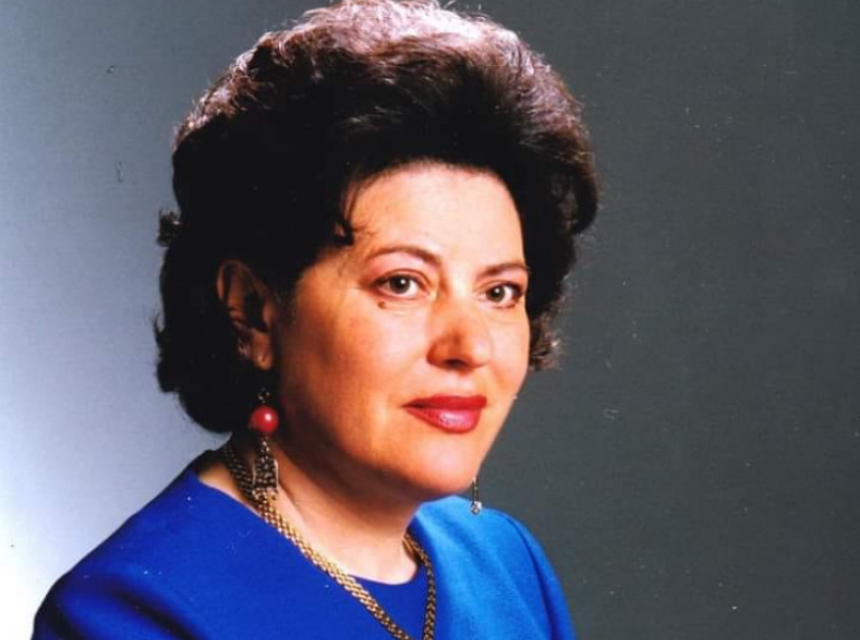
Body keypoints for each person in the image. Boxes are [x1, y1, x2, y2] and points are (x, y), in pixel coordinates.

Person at [32, 0, 598, 638]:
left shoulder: (506, 563)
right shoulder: (131, 610)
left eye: (499, 292)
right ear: (254, 312)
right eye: (402, 283)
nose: (470, 346)